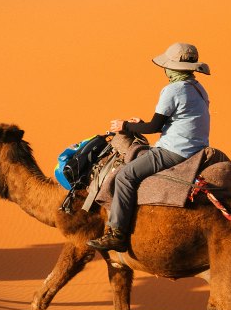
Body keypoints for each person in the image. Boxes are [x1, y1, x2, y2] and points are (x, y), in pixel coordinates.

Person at [87, 43, 212, 254]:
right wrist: (140, 123)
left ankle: (117, 234)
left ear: (171, 68)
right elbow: (175, 120)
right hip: (196, 148)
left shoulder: (172, 90)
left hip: (175, 150)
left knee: (125, 176)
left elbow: (154, 127)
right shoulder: (197, 88)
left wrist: (125, 126)